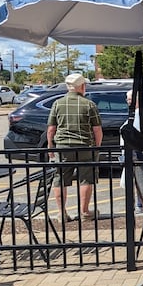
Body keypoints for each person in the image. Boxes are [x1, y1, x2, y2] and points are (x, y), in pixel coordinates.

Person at [47, 73, 103, 221]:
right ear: (83, 86)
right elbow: (97, 130)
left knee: (60, 179)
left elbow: (51, 129)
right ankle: (84, 212)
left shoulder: (57, 104)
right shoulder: (89, 105)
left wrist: (50, 146)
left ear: (67, 87)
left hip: (63, 146)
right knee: (86, 179)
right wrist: (97, 147)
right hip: (85, 146)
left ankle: (62, 213)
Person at [120, 88, 143, 214]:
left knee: (140, 179)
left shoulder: (141, 113)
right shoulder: (136, 113)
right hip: (133, 151)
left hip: (138, 151)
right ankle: (140, 203)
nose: (129, 101)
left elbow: (135, 133)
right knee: (137, 179)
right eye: (128, 99)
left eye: (131, 99)